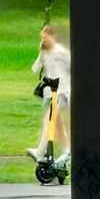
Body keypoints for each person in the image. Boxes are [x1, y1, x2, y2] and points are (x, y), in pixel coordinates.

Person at [27, 25, 71, 163]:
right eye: (42, 38)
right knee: (57, 124)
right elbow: (36, 68)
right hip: (49, 93)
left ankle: (39, 152)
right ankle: (68, 150)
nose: (43, 40)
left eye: (45, 37)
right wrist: (41, 52)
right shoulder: (45, 51)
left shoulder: (61, 52)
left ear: (53, 37)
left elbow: (73, 66)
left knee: (49, 120)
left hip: (61, 92)